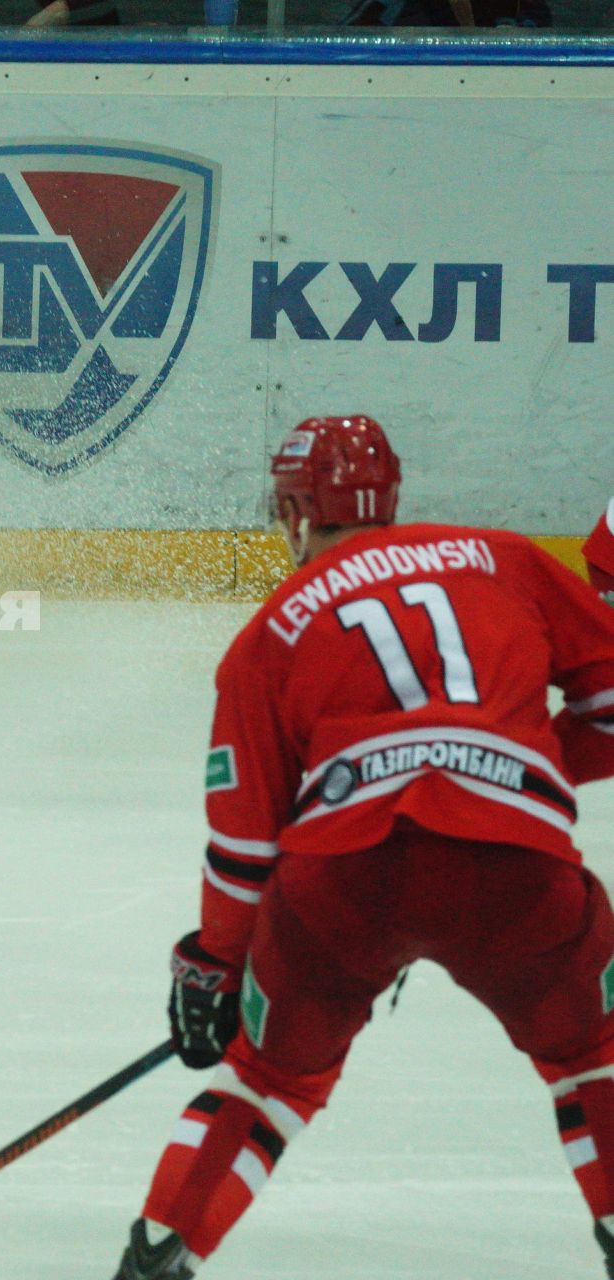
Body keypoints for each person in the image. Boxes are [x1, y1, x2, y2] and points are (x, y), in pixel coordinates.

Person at [113, 416, 614, 1278]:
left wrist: (212, 967)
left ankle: (160, 1255)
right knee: (592, 1055)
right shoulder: (504, 558)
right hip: (517, 867)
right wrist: (510, 765)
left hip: (342, 882)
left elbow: (244, 844)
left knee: (267, 1081)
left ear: (301, 513)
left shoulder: (266, 636)